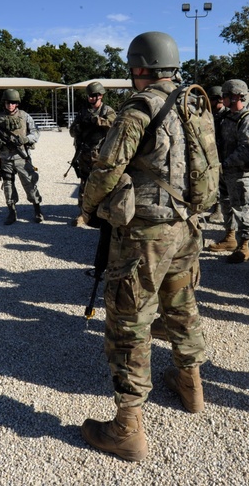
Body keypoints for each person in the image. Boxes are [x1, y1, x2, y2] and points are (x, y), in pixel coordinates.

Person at [79, 31, 208, 462]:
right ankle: (191, 386)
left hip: (147, 233)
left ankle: (127, 426)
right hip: (187, 225)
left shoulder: (140, 107)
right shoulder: (194, 104)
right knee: (182, 304)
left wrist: (89, 207)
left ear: (139, 68)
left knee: (129, 321)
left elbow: (109, 166)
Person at [207, 79, 249, 263]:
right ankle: (230, 237)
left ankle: (244, 245)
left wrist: (226, 163)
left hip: (238, 172)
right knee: (225, 204)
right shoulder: (226, 117)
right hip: (225, 171)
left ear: (236, 96)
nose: (222, 99)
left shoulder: (246, 119)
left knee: (241, 208)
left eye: (225, 95)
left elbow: (247, 149)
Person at [0, 89, 43, 225]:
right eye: (8, 103)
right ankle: (12, 212)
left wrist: (25, 139)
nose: (10, 105)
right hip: (5, 158)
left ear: (17, 103)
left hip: (21, 157)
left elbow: (36, 132)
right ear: (4, 103)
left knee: (29, 183)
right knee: (8, 185)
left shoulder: (25, 116)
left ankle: (37, 210)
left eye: (13, 103)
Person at [68, 81, 116, 226]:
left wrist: (97, 121)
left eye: (94, 96)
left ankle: (103, 213)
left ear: (100, 96)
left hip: (100, 155)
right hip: (84, 153)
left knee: (102, 184)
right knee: (84, 183)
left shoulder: (107, 111)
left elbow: (115, 124)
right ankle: (83, 214)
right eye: (89, 96)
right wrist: (79, 126)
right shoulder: (83, 112)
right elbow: (71, 131)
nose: (91, 99)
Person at [206, 84, 228, 225]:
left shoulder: (227, 117)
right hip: (212, 154)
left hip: (223, 156)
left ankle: (219, 210)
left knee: (222, 185)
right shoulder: (209, 115)